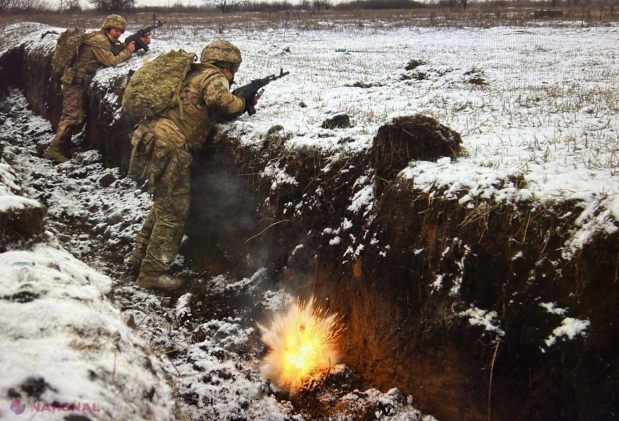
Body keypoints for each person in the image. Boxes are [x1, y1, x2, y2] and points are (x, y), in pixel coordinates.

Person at [127, 40, 254, 291]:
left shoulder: (192, 74)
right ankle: (152, 272)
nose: (232, 75)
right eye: (233, 70)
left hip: (153, 138)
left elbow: (202, 107)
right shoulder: (213, 77)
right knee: (174, 210)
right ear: (226, 67)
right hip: (170, 146)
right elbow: (222, 101)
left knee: (164, 203)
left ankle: (140, 258)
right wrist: (241, 101)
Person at [43, 15, 150, 163]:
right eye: (116, 30)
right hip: (75, 83)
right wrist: (128, 51)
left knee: (75, 117)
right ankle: (54, 149)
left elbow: (113, 50)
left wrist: (135, 43)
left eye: (121, 31)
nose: (118, 34)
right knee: (72, 117)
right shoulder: (99, 40)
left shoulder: (102, 38)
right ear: (108, 27)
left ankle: (64, 146)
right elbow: (111, 60)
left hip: (79, 82)